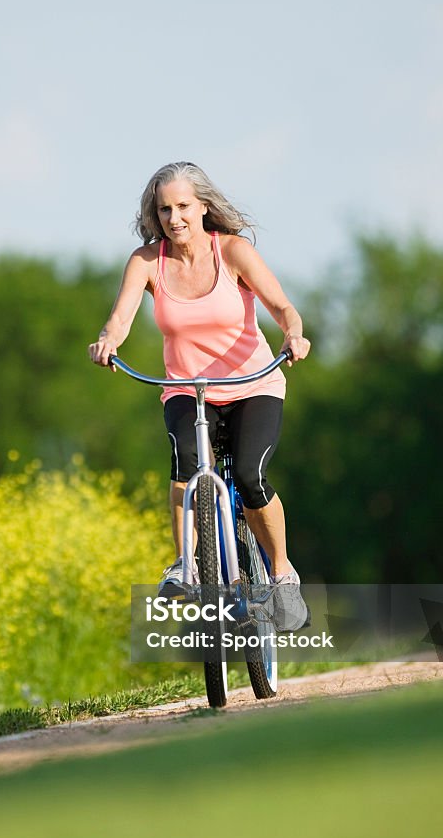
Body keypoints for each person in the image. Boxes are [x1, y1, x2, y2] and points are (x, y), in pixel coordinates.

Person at [88, 161, 311, 594]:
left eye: (184, 206)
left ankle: (282, 573)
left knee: (249, 475)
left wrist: (294, 335)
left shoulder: (233, 252)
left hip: (253, 384)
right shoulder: (147, 261)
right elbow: (119, 320)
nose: (175, 218)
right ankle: (185, 566)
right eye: (165, 210)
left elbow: (284, 308)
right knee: (185, 462)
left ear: (204, 206)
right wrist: (106, 340)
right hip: (187, 389)